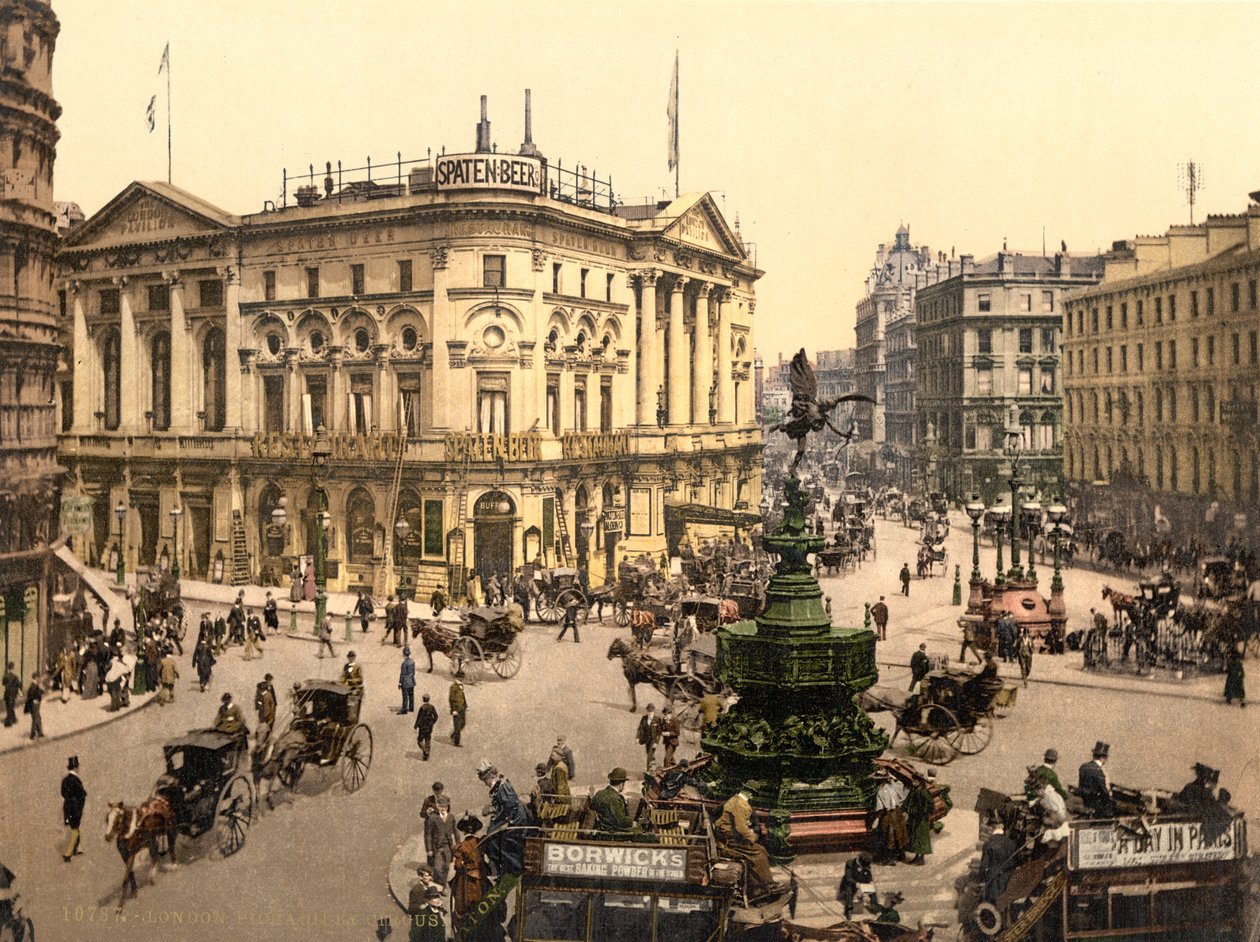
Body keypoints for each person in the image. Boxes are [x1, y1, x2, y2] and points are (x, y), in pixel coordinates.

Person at [715, 790, 779, 898]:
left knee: (760, 850)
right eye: (753, 794)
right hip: (730, 842)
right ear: (749, 794)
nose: (753, 796)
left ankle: (759, 885)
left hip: (728, 837)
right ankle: (762, 886)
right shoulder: (740, 804)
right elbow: (741, 828)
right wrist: (752, 837)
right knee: (758, 853)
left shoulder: (735, 799)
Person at [476, 761, 530, 875]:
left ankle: (513, 870)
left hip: (516, 819)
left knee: (502, 841)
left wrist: (508, 823)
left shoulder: (502, 786)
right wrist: (493, 809)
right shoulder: (499, 784)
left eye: (486, 781)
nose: (486, 784)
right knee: (491, 834)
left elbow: (512, 807)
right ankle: (501, 868)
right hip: (510, 814)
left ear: (491, 776)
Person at [451, 814, 486, 934]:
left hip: (466, 882)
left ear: (464, 831)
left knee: (461, 907)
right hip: (480, 881)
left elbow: (458, 866)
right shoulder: (481, 842)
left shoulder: (460, 847)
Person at [872, 770, 909, 861]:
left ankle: (889, 858)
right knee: (899, 833)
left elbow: (880, 807)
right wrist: (893, 779)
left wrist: (876, 819)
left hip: (887, 815)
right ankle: (901, 855)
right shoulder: (893, 786)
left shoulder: (881, 791)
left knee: (888, 834)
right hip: (897, 812)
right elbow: (901, 787)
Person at [590, 767, 639, 833]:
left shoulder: (599, 793)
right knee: (640, 832)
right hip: (614, 832)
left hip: (601, 829)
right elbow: (620, 820)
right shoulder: (616, 798)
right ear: (621, 785)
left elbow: (592, 807)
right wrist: (632, 823)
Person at [979, 820, 1017, 903]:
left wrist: (981, 879)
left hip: (994, 878)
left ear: (992, 830)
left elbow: (984, 865)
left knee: (993, 902)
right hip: (1008, 878)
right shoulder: (1012, 843)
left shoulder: (988, 843)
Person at [1078, 741, 1115, 817]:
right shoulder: (1099, 772)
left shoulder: (1083, 767)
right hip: (1096, 805)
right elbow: (1103, 791)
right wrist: (1111, 801)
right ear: (1102, 758)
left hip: (1084, 801)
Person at [424, 798, 456, 887]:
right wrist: (429, 849)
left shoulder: (451, 817)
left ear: (447, 807)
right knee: (437, 868)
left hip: (448, 846)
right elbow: (428, 834)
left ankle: (443, 884)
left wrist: (458, 844)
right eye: (441, 806)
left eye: (445, 806)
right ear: (437, 807)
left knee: (446, 866)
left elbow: (455, 831)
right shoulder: (432, 818)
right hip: (436, 847)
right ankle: (439, 884)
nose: (443, 808)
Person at [903, 776, 934, 864]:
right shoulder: (914, 791)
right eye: (913, 780)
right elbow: (907, 801)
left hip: (921, 820)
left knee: (921, 838)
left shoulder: (924, 793)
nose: (914, 782)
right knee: (915, 838)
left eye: (915, 780)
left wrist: (921, 812)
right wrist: (904, 810)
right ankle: (917, 857)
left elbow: (930, 806)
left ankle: (921, 858)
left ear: (920, 782)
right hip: (914, 819)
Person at [61, 755, 86, 862]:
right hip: (75, 809)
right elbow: (82, 794)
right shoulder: (76, 780)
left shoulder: (65, 780)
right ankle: (68, 854)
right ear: (76, 767)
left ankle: (77, 848)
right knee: (75, 830)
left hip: (67, 808)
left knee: (75, 828)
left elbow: (63, 793)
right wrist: (79, 806)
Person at [836, 852, 874, 919]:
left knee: (872, 889)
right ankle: (849, 910)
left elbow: (868, 874)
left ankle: (874, 905)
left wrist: (870, 881)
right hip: (850, 882)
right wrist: (856, 884)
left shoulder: (866, 864)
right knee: (849, 891)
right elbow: (848, 877)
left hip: (862, 880)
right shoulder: (850, 863)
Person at [637, 703, 663, 769]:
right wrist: (638, 737)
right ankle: (653, 767)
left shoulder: (657, 719)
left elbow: (659, 732)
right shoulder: (644, 718)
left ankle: (648, 771)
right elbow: (640, 728)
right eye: (649, 711)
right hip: (647, 740)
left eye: (651, 711)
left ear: (654, 711)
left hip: (653, 740)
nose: (650, 712)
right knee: (649, 754)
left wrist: (656, 743)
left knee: (649, 756)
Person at [415, 694, 438, 760]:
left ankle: (425, 751)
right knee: (428, 740)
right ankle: (426, 756)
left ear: (423, 699)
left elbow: (418, 718)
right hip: (429, 727)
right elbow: (436, 716)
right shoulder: (432, 707)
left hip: (422, 727)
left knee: (420, 741)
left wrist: (416, 726)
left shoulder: (422, 708)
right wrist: (432, 722)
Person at [24, 673, 44, 740]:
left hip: (34, 704)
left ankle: (40, 733)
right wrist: (35, 700)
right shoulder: (34, 685)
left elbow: (39, 692)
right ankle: (32, 735)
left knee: (38, 718)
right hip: (34, 704)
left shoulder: (34, 685)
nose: (39, 679)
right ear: (36, 678)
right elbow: (33, 694)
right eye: (38, 677)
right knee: (35, 718)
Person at [449, 679, 466, 747]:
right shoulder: (453, 687)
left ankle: (453, 735)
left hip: (462, 707)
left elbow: (463, 696)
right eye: (461, 678)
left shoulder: (461, 685)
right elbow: (451, 699)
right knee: (457, 726)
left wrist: (466, 706)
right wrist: (453, 710)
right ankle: (457, 742)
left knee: (463, 723)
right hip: (456, 709)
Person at [399, 647, 416, 714]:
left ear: (403, 654)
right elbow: (414, 672)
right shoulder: (412, 661)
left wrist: (400, 683)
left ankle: (404, 709)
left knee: (405, 696)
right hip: (411, 680)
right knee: (411, 695)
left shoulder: (404, 663)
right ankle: (411, 708)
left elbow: (402, 674)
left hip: (405, 682)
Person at [3, 661, 20, 726]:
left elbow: (3, 684)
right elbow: (18, 684)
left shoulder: (5, 676)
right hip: (12, 694)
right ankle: (9, 721)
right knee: (11, 706)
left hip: (7, 693)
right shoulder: (15, 677)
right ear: (13, 668)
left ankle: (13, 719)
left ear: (8, 668)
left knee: (8, 707)